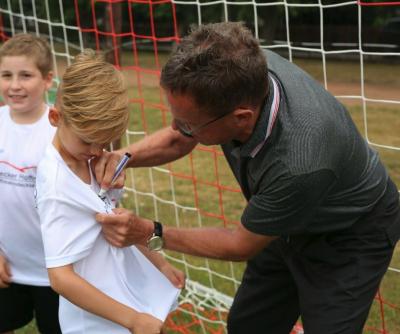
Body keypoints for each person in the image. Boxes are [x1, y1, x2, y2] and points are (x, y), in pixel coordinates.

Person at [95, 21, 400, 334]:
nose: (175, 127)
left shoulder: (299, 163)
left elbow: (239, 244)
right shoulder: (239, 72)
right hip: (285, 221)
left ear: (242, 117)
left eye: (188, 123)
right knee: (249, 325)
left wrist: (150, 231)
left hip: (351, 233)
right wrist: (122, 158)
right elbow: (179, 139)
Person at [35, 50, 184, 334]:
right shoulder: (56, 186)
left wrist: (161, 264)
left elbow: (119, 224)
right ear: (55, 117)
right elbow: (60, 277)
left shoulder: (91, 160)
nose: (97, 151)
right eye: (88, 141)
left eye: (104, 142)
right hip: (95, 323)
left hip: (128, 299)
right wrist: (133, 320)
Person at [0, 34, 61, 334]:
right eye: (6, 75)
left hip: (58, 271)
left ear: (48, 80)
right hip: (7, 265)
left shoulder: (60, 132)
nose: (14, 85)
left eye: (25, 75)